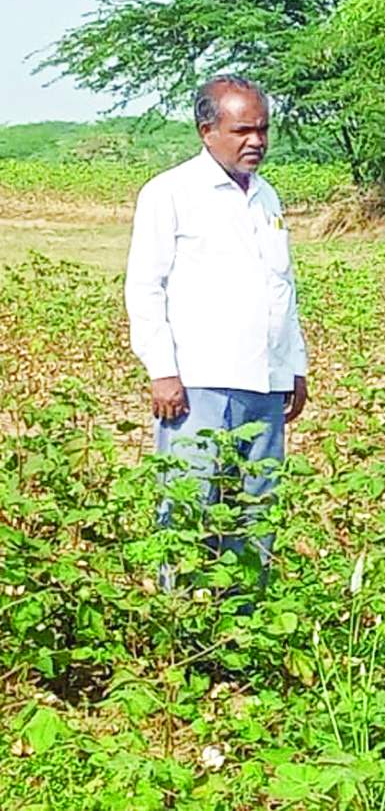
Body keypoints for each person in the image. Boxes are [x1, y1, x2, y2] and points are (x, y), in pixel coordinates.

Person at [125, 74, 309, 588]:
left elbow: (283, 287)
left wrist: (294, 367)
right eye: (243, 130)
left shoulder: (267, 197)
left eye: (264, 130)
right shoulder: (171, 193)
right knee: (190, 507)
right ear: (207, 130)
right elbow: (145, 287)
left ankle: (244, 628)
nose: (257, 141)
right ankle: (183, 624)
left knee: (256, 510)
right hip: (199, 382)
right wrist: (163, 372)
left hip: (266, 385)